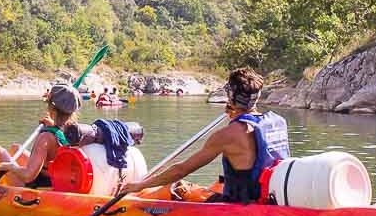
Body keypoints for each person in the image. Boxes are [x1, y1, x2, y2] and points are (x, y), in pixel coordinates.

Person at [115, 68, 290, 204]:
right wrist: (235, 114)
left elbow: (181, 170)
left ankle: (136, 197)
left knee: (177, 187)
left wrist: (139, 185)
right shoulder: (278, 121)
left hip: (239, 205)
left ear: (231, 95)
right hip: (270, 197)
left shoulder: (227, 135)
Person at [0, 84, 82, 188]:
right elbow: (58, 139)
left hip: (31, 186)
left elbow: (28, 176)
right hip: (51, 178)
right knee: (16, 148)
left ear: (52, 109)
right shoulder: (72, 131)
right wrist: (53, 125)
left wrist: (11, 167)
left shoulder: (45, 138)